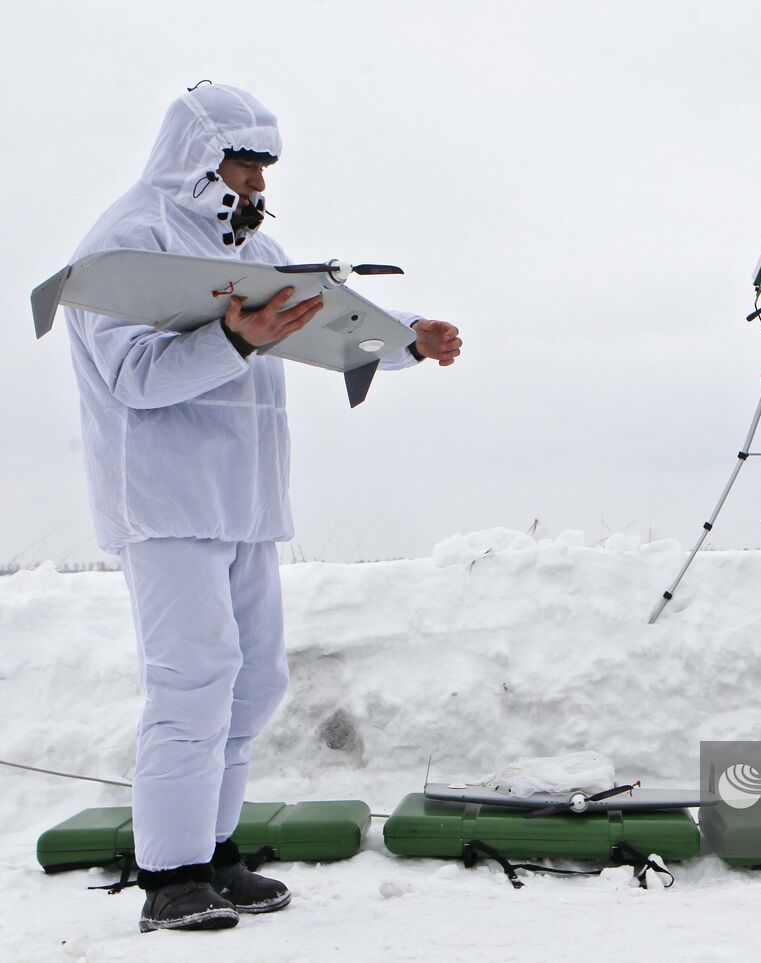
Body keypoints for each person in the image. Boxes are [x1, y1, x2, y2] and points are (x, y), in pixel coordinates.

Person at [62, 84, 462, 932]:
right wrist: (237, 339)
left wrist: (407, 339)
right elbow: (132, 377)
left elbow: (324, 326)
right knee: (192, 683)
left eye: (263, 165)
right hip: (166, 501)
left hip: (244, 502)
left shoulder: (256, 245)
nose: (254, 179)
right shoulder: (129, 241)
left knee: (253, 684)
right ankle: (167, 874)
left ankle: (210, 853)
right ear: (196, 157)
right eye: (241, 161)